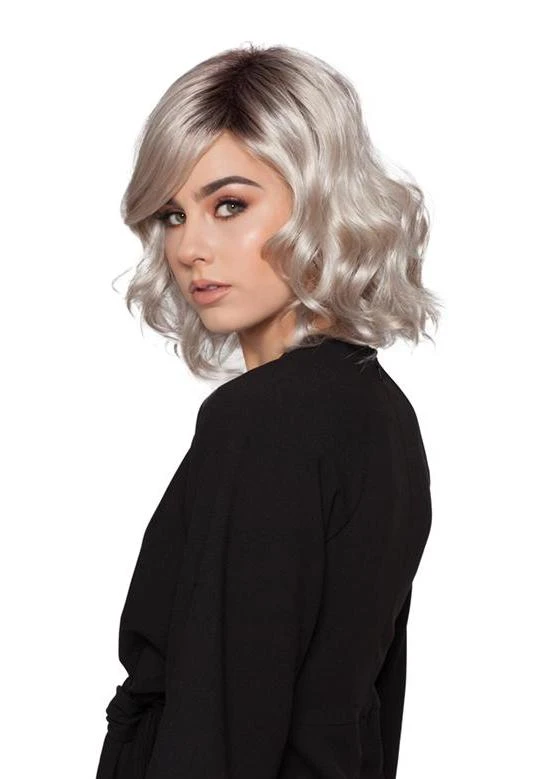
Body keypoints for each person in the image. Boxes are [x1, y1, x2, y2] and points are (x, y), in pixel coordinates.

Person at [95, 42, 441, 779]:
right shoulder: (381, 412)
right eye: (173, 214)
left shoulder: (262, 420)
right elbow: (368, 709)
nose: (190, 247)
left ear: (319, 202)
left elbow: (214, 726)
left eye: (230, 205)